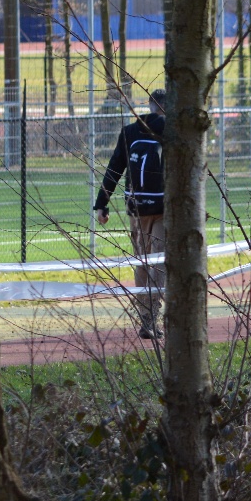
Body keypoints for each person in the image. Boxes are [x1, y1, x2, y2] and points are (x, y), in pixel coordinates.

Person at [94, 88, 166, 340]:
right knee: (160, 261)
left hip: (136, 209)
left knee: (142, 263)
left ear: (150, 105)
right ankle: (155, 315)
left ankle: (147, 319)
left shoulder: (130, 131)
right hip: (162, 209)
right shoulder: (171, 131)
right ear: (167, 107)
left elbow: (115, 167)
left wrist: (101, 204)